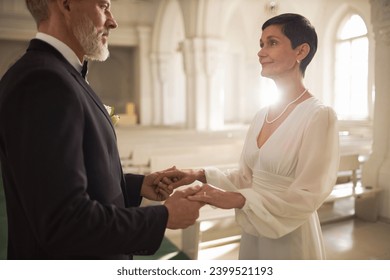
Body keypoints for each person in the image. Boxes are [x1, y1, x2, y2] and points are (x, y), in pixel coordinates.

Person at [0, 0, 203, 260]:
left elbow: (67, 179)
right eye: (103, 6)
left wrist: (138, 185)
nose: (112, 21)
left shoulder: (61, 73)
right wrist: (163, 217)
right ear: (66, 5)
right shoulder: (43, 81)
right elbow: (65, 223)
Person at [156, 13, 339, 260]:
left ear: (301, 51)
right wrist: (198, 174)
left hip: (291, 233)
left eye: (272, 43)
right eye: (261, 44)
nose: (261, 52)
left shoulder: (319, 115)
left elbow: (308, 195)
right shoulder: (262, 114)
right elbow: (246, 177)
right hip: (255, 229)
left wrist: (237, 199)